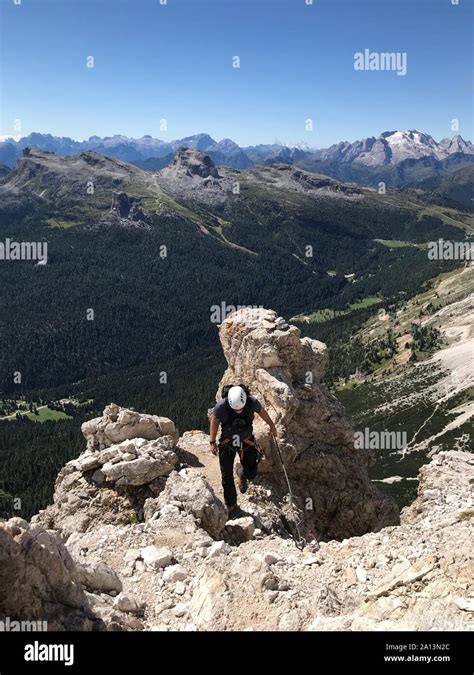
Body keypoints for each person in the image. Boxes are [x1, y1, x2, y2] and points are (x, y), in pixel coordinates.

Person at [209, 385, 277, 517]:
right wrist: (212, 442)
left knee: (252, 472)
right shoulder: (221, 406)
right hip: (227, 441)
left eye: (241, 408)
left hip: (246, 439)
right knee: (226, 475)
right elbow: (214, 421)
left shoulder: (251, 401)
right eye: (236, 409)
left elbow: (262, 412)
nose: (239, 411)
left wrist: (272, 425)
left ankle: (242, 474)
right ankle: (231, 505)